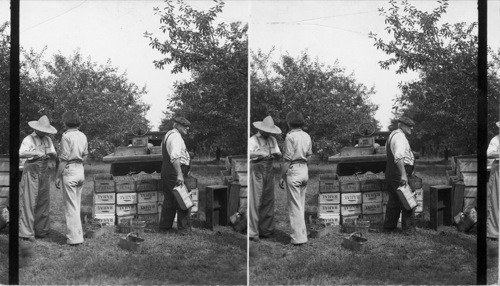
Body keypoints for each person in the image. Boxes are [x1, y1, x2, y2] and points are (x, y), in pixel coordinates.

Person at [19, 115, 58, 241]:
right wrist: (35, 153)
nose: (45, 133)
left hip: (44, 173)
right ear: (37, 129)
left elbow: (53, 153)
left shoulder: (47, 140)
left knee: (43, 201)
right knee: (29, 202)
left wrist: (52, 155)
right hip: (31, 172)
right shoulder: (28, 139)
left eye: (46, 131)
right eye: (43, 130)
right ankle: (26, 233)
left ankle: (41, 230)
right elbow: (21, 153)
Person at [279, 111, 312, 245]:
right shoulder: (307, 136)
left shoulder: (290, 136)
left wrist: (282, 176)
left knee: (294, 207)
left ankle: (298, 239)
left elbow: (287, 159)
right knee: (301, 205)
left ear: (289, 123)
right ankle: (302, 234)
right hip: (304, 169)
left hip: (294, 170)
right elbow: (309, 155)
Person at [55, 111, 88, 246]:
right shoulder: (83, 135)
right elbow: (85, 155)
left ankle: (74, 239)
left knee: (70, 207)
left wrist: (57, 176)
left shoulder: (66, 137)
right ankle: (78, 234)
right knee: (77, 204)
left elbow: (63, 159)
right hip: (80, 169)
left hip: (70, 170)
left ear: (65, 122)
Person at [249, 116, 282, 242]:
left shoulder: (273, 140)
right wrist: (259, 153)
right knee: (255, 200)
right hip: (257, 170)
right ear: (261, 129)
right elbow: (249, 153)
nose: (269, 133)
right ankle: (253, 232)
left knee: (268, 199)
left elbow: (278, 154)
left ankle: (266, 230)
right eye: (267, 131)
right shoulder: (253, 139)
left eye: (270, 131)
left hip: (269, 170)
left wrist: (277, 154)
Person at [383, 116, 416, 233]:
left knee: (394, 200)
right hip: (399, 172)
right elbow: (398, 157)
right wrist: (403, 175)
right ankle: (408, 230)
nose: (411, 128)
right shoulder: (400, 138)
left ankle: (389, 227)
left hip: (391, 172)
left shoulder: (393, 135)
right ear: (401, 125)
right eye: (409, 126)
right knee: (408, 200)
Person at [159, 117, 192, 233]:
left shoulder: (169, 134)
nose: (187, 128)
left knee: (170, 199)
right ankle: (184, 229)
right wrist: (179, 174)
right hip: (174, 171)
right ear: (177, 125)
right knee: (183, 198)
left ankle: (165, 227)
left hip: (167, 170)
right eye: (184, 126)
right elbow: (175, 157)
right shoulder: (176, 137)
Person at [486, 121, 499, 240]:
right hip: (498, 171)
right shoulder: (495, 140)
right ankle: (494, 232)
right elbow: (489, 154)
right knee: (496, 200)